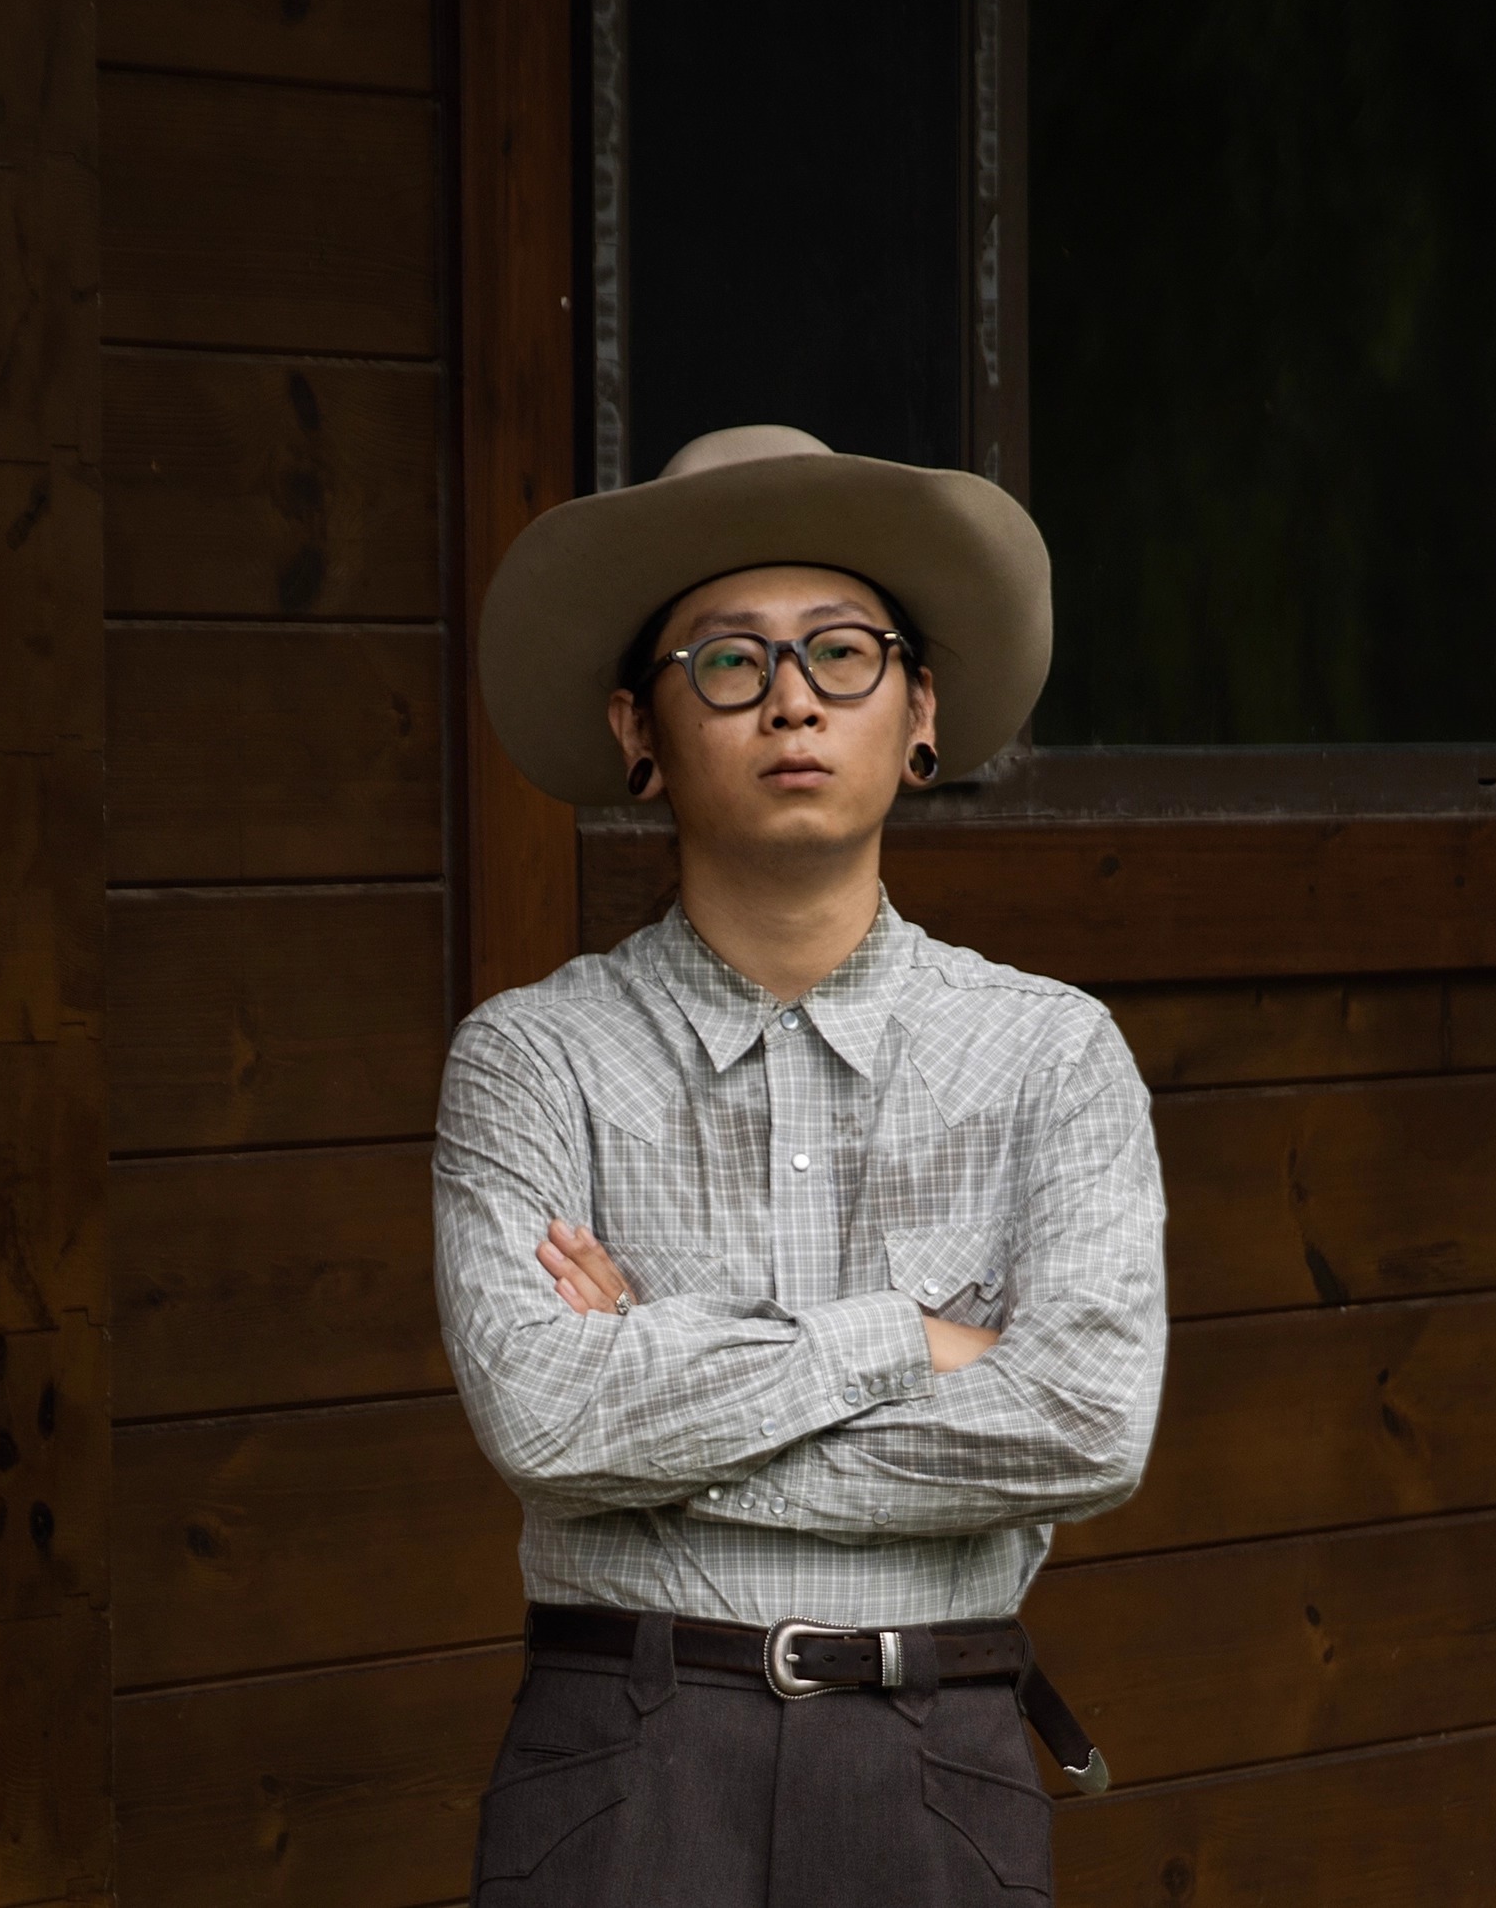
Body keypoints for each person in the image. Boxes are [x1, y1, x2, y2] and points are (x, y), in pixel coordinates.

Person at [439, 424, 1169, 1903]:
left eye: (842, 652)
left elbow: (1088, 1425)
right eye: (727, 661)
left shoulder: (1051, 1053)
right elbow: (543, 1419)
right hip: (622, 1758)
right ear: (639, 730)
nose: (790, 698)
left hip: (939, 1763)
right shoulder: (531, 1059)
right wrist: (908, 1341)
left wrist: (661, 1401)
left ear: (920, 711)